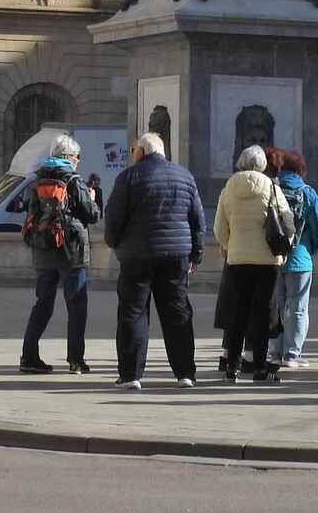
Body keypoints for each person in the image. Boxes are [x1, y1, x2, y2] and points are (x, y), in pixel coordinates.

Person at [103, 132, 206, 390]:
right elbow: (197, 220)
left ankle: (131, 375)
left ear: (142, 151)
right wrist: (196, 254)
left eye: (134, 150)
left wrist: (114, 242)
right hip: (176, 256)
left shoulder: (129, 177)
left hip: (136, 256)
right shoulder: (184, 176)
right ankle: (185, 373)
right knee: (177, 312)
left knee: (133, 312)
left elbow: (113, 217)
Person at [18, 134, 102, 374]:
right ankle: (76, 360)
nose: (78, 161)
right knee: (76, 305)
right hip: (71, 251)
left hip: (44, 250)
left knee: (43, 303)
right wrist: (93, 198)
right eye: (77, 157)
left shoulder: (37, 179)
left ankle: (29, 357)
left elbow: (29, 210)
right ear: (68, 157)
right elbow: (92, 215)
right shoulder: (74, 180)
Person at [212, 145, 294, 383]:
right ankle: (259, 367)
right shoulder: (271, 187)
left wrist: (229, 245)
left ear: (241, 162)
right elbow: (287, 221)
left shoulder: (229, 187)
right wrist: (284, 248)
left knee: (237, 313)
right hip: (267, 261)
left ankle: (232, 368)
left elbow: (219, 227)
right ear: (262, 164)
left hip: (237, 260)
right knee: (262, 313)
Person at [268, 149, 318, 369]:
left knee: (277, 306)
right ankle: (292, 354)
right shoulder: (308, 193)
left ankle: (276, 351)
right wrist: (312, 248)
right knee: (298, 308)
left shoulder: (272, 189)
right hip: (300, 258)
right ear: (301, 170)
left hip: (273, 257)